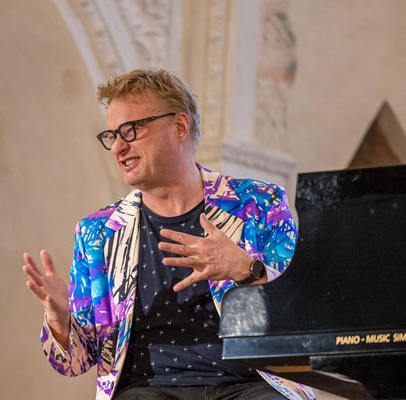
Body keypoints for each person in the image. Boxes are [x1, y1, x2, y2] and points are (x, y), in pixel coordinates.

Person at [22, 69, 302, 400]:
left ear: (180, 126)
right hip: (149, 390)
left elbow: (303, 316)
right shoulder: (97, 233)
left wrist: (247, 269)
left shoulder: (258, 203)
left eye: (131, 130)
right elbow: (77, 361)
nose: (118, 147)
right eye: (112, 135)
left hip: (250, 385)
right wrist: (60, 319)